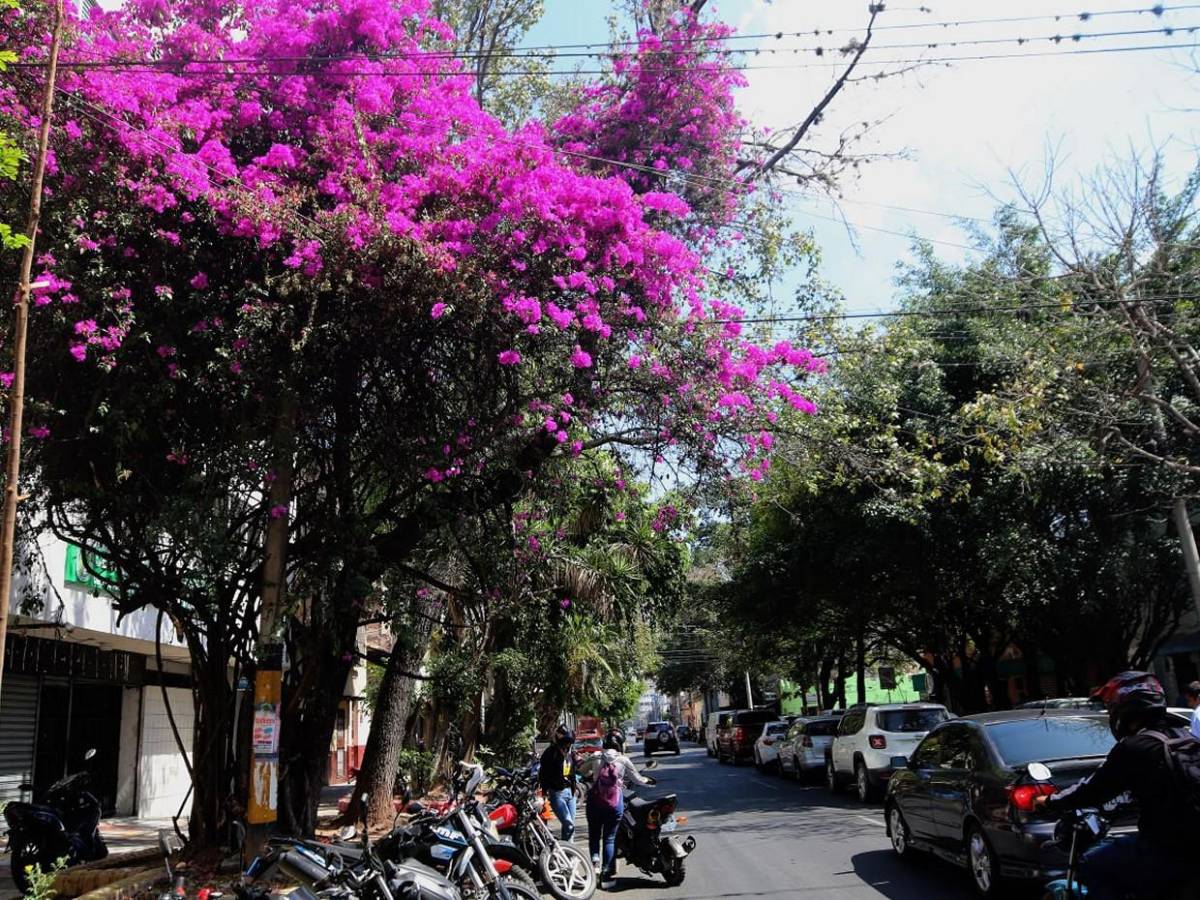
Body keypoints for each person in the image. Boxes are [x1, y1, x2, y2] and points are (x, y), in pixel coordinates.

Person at [1033, 671, 1195, 900]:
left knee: (1095, 863)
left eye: (1110, 707)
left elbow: (1092, 790)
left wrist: (1049, 801)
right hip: (1191, 844)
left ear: (1124, 708)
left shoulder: (1134, 747)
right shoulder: (1185, 736)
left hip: (1168, 848)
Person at [578, 747, 655, 889]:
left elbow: (582, 771)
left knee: (594, 835)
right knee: (609, 838)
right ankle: (606, 876)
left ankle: (594, 863)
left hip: (595, 802)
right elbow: (638, 779)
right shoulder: (623, 760)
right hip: (614, 804)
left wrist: (593, 772)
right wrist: (648, 781)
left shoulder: (596, 757)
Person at [538, 725, 578, 842]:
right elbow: (543, 774)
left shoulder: (569, 753)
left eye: (569, 743)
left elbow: (572, 771)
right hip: (557, 793)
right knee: (568, 823)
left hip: (570, 793)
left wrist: (574, 787)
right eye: (566, 742)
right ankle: (567, 851)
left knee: (570, 827)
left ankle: (569, 854)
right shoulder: (550, 753)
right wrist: (544, 792)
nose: (568, 746)